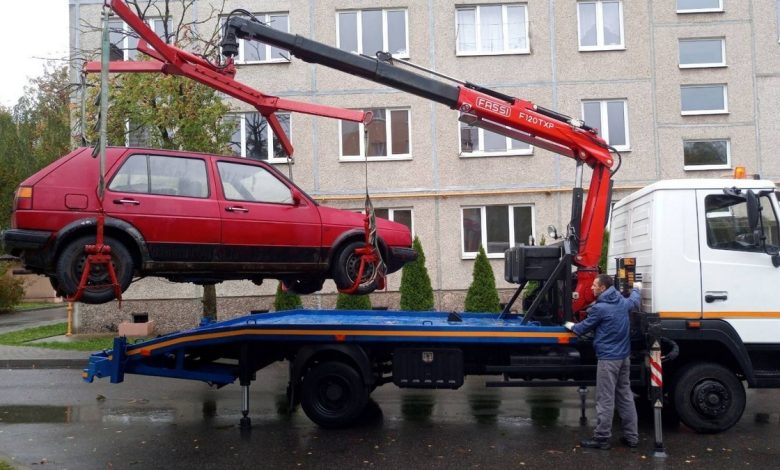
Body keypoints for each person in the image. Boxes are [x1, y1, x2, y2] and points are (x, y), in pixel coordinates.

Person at [564, 274, 641, 450]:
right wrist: (637, 288)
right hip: (623, 358)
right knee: (625, 396)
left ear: (603, 288)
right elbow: (634, 301)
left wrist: (569, 325)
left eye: (594, 285)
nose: (591, 288)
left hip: (608, 360)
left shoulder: (600, 308)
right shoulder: (622, 302)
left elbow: (581, 329)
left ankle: (602, 438)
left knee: (605, 398)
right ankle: (632, 437)